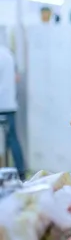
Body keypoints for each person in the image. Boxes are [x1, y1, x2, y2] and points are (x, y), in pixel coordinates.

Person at [0, 44, 26, 179]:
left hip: (2, 105)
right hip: (10, 104)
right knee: (12, 139)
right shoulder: (8, 54)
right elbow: (17, 78)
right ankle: (21, 172)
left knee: (10, 139)